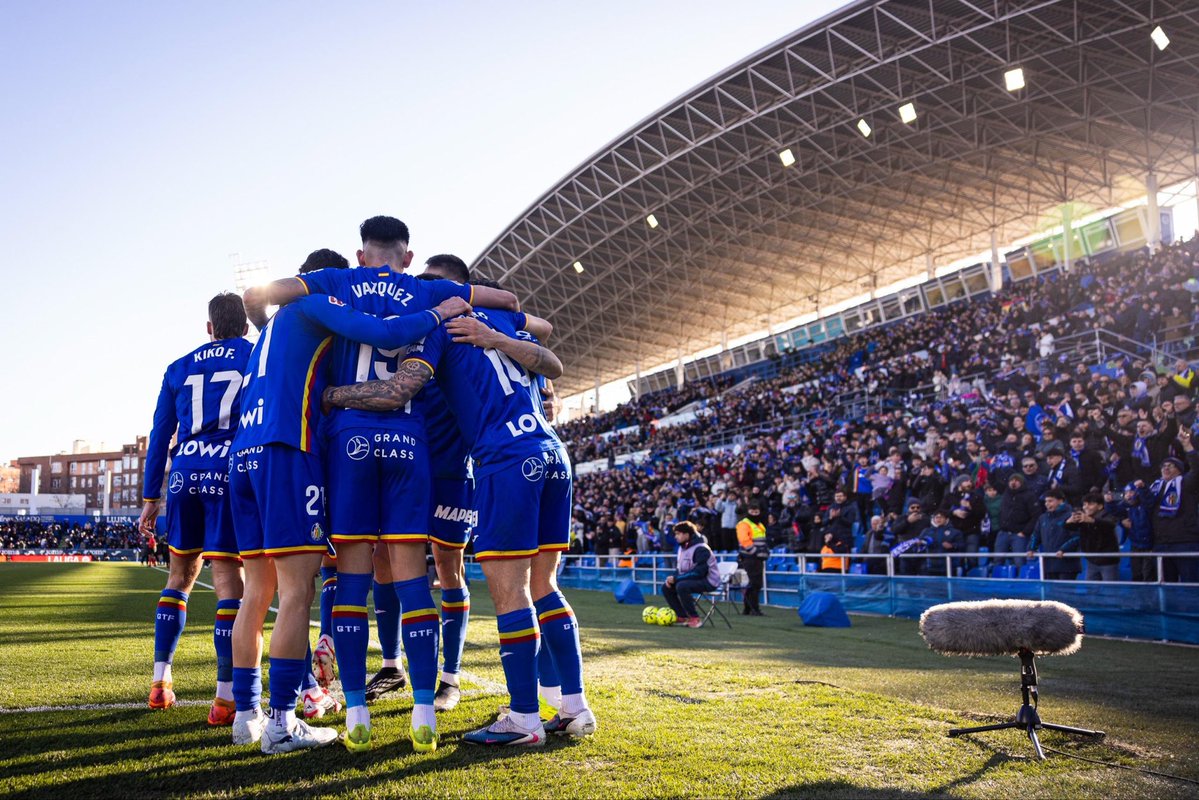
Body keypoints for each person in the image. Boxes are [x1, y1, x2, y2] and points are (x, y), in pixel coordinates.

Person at [245, 219, 518, 752]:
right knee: (415, 580)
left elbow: (264, 294)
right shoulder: (429, 290)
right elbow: (505, 297)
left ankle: (356, 711)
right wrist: (465, 312)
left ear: (360, 253)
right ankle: (424, 707)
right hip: (410, 447)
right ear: (408, 255)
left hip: (347, 440)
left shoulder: (336, 283)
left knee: (350, 580)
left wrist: (270, 333)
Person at [323, 287, 596, 746]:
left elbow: (399, 390)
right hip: (552, 453)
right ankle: (575, 707)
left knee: (511, 592)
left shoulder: (441, 328)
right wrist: (499, 336)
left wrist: (332, 393)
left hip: (506, 460)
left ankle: (524, 718)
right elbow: (553, 360)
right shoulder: (502, 321)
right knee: (545, 584)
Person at [138, 293, 253, 725]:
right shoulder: (255, 355)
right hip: (231, 472)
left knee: (178, 579)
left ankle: (160, 683)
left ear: (209, 327)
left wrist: (152, 497)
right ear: (245, 326)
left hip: (185, 475)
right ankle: (224, 699)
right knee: (229, 581)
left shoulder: (178, 366)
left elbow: (159, 435)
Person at [1147, 430, 1199, 583]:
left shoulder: (1186, 483)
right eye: (1164, 466)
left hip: (1185, 542)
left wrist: (1187, 446)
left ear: (1180, 470)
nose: (1166, 468)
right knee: (1166, 586)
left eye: (1171, 466)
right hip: (1161, 543)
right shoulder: (1156, 488)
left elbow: (1197, 469)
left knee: (1190, 586)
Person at [662, 521, 719, 626]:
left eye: (678, 534)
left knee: (681, 586)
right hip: (693, 579)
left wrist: (677, 579)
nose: (676, 537)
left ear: (687, 534)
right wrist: (673, 578)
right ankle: (682, 616)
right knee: (666, 587)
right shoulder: (682, 548)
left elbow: (699, 573)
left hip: (709, 581)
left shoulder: (701, 548)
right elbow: (679, 569)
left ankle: (695, 618)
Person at [1063, 492, 1120, 581]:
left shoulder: (1108, 515)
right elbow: (1069, 527)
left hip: (1108, 561)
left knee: (1110, 590)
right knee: (1091, 590)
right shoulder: (1083, 518)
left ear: (1100, 506)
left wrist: (1092, 521)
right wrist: (1069, 521)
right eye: (1084, 504)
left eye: (1090, 504)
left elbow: (1110, 524)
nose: (1086, 507)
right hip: (1091, 561)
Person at [1026, 489, 1076, 580]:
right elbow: (1036, 535)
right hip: (1049, 564)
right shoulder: (1043, 518)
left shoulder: (1071, 516)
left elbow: (1076, 537)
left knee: (1065, 592)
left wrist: (1063, 549)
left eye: (1050, 501)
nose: (1047, 504)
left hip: (1067, 564)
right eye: (1046, 501)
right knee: (1051, 592)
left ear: (1061, 501)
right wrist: (1031, 548)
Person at [735, 501, 768, 615]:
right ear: (748, 512)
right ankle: (754, 608)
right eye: (752, 511)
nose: (754, 513)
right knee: (755, 584)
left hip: (756, 558)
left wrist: (764, 552)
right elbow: (744, 540)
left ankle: (748, 608)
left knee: (754, 584)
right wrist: (755, 552)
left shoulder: (759, 524)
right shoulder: (744, 524)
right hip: (750, 557)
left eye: (756, 511)